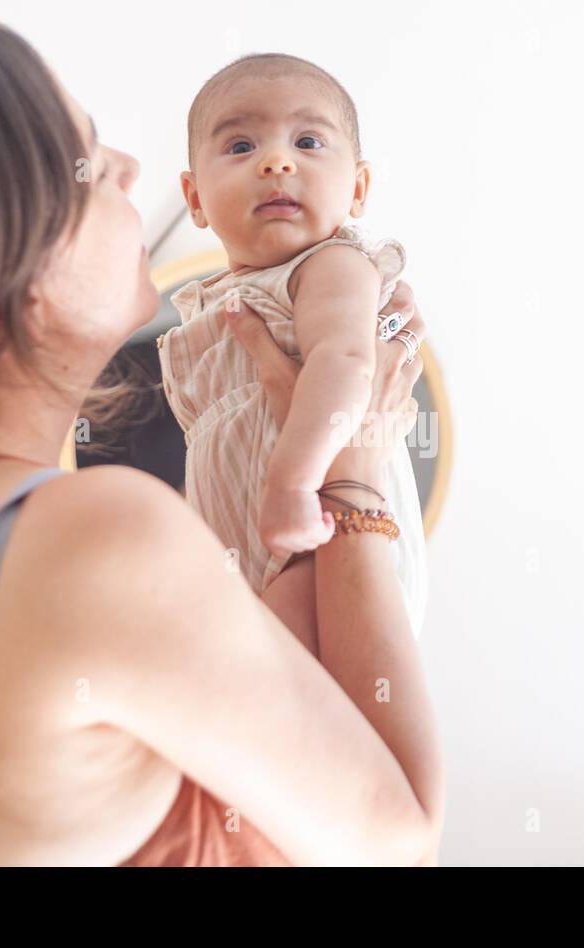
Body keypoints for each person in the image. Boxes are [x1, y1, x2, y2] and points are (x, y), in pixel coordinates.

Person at [0, 21, 443, 866]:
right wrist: (351, 475)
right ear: (1, 263)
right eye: (91, 162)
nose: (131, 173)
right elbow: (398, 842)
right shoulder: (97, 538)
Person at [160, 53, 427, 651]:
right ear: (195, 197)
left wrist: (290, 483)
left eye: (308, 141)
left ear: (357, 189)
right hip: (259, 552)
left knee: (277, 684)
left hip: (325, 535)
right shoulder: (214, 307)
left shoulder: (329, 264)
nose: (277, 161)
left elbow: (346, 364)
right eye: (239, 147)